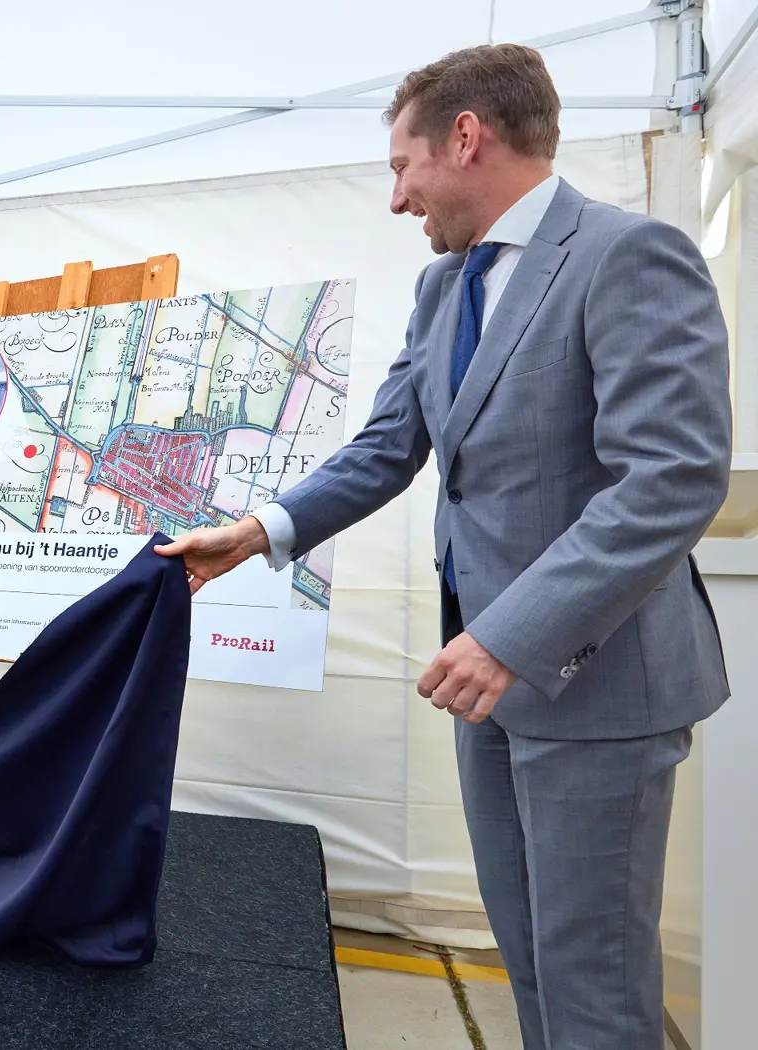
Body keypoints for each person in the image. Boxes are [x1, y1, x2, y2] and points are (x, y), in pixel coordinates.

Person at [157, 44, 729, 1050]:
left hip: (594, 690)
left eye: (400, 166)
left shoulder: (627, 256)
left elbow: (671, 478)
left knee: (593, 988)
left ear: (466, 138)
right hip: (487, 689)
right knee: (532, 964)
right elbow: (389, 446)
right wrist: (255, 534)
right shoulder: (441, 291)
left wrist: (509, 636)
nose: (396, 199)